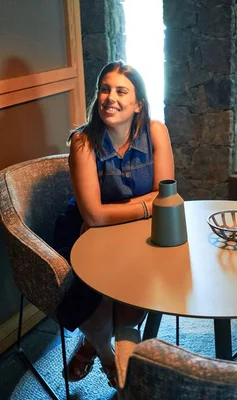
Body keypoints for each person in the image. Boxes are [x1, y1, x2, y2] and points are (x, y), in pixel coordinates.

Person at [52, 60, 175, 388]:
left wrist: (125, 210)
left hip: (137, 233)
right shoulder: (83, 141)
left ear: (138, 104)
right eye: (105, 89)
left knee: (143, 280)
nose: (111, 97)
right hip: (84, 233)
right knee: (98, 286)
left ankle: (97, 345)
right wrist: (146, 206)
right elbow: (92, 216)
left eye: (122, 91)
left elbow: (165, 196)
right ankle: (110, 360)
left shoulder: (156, 131)